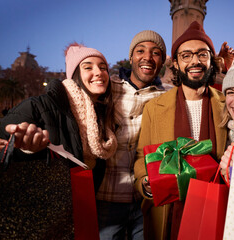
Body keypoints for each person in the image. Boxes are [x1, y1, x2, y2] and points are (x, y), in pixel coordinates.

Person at [134, 21, 230, 240]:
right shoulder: (153, 108)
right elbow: (142, 156)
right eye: (186, 55)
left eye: (202, 54)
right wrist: (144, 183)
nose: (195, 61)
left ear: (211, 61)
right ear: (175, 63)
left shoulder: (228, 105)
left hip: (215, 208)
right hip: (168, 211)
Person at [0, 43, 117, 190]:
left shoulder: (103, 117)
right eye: (88, 67)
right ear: (75, 75)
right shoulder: (37, 106)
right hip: (42, 205)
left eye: (103, 67)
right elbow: (2, 151)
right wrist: (25, 149)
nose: (99, 72)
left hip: (82, 206)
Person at [95, 30, 167, 240]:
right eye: (140, 51)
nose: (147, 57)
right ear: (131, 57)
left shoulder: (166, 96)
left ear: (162, 61)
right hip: (106, 197)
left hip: (144, 200)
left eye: (155, 53)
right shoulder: (109, 87)